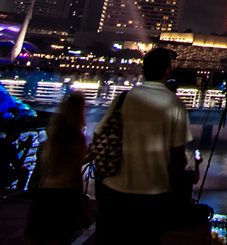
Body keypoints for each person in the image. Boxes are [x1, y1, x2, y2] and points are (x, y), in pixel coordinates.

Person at [94, 48, 190, 245]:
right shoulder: (175, 104)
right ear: (167, 71)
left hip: (114, 188)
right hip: (154, 193)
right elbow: (177, 154)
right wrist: (173, 190)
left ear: (143, 71)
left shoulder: (124, 98)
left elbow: (99, 133)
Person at [27, 92, 89, 245]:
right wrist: (82, 207)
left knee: (36, 238)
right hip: (65, 196)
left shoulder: (55, 133)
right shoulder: (78, 138)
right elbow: (75, 175)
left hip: (45, 193)